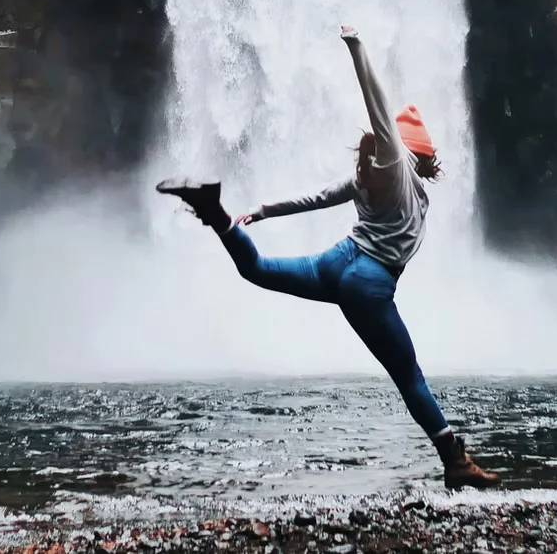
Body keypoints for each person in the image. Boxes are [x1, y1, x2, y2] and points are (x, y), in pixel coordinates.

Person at [157, 27, 500, 490]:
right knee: (408, 375)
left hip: (338, 262)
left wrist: (261, 210)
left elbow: (316, 197)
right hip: (368, 281)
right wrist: (357, 48)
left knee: (255, 270)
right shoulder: (396, 170)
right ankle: (454, 460)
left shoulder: (368, 178)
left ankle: (214, 210)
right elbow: (377, 107)